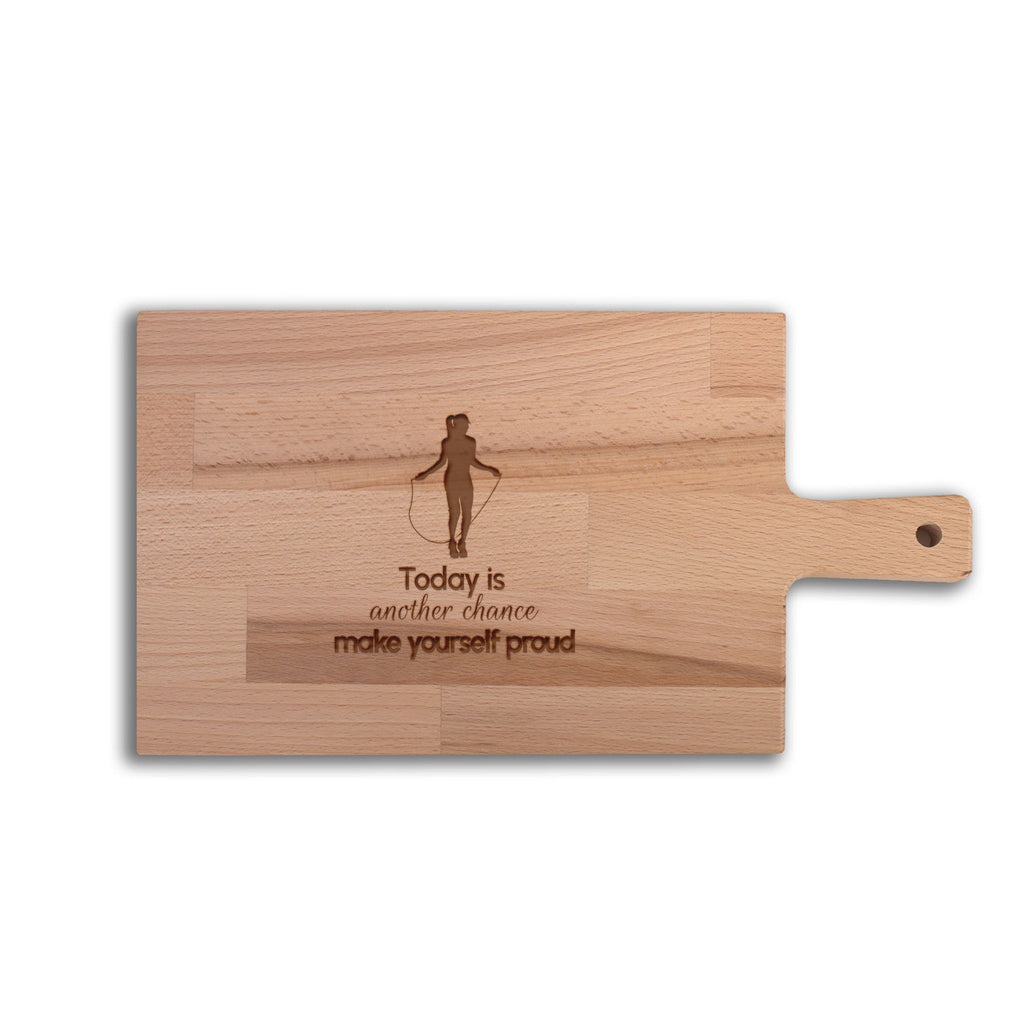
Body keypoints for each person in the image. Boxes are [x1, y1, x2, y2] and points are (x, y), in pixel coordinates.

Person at [414, 413, 501, 558]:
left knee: (467, 512)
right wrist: (426, 474)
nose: (467, 428)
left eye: (467, 425)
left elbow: (472, 461)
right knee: (455, 512)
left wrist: (490, 469)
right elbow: (442, 462)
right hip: (452, 480)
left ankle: (463, 542)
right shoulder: (448, 443)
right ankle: (452, 541)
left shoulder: (470, 442)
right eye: (465, 425)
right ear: (459, 426)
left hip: (465, 479)